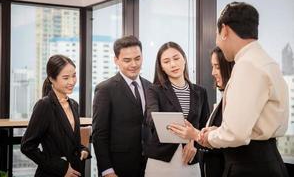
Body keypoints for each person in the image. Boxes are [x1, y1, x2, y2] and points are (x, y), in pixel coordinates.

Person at [174, 2, 289, 177]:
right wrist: (217, 130)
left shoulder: (247, 65)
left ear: (225, 30)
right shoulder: (266, 61)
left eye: (216, 34)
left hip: (249, 165)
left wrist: (201, 136)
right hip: (266, 159)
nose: (217, 40)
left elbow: (235, 134)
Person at [143, 42, 210, 177]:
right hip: (161, 161)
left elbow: (204, 127)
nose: (173, 64)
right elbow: (151, 118)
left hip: (190, 159)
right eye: (166, 61)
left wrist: (194, 142)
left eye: (176, 58)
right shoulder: (155, 90)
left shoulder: (200, 92)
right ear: (161, 67)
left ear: (184, 59)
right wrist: (188, 136)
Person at [21, 54, 91, 177]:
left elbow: (71, 141)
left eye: (74, 76)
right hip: (53, 173)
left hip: (76, 171)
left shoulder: (74, 104)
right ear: (52, 79)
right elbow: (27, 147)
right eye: (65, 78)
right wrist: (61, 167)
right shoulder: (44, 105)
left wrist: (83, 150)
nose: (72, 81)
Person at [169, 46, 234, 177]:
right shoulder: (224, 99)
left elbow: (232, 136)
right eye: (212, 66)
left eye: (217, 66)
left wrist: (195, 135)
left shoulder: (233, 99)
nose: (213, 72)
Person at [92, 35, 151, 177]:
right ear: (116, 60)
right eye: (127, 60)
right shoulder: (105, 89)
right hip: (118, 167)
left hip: (150, 165)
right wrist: (107, 170)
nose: (134, 64)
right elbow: (99, 134)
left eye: (137, 59)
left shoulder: (151, 87)